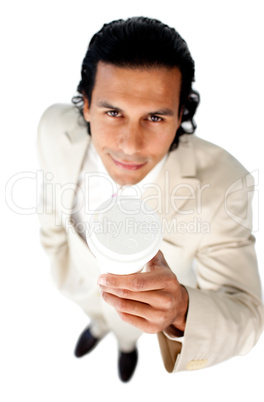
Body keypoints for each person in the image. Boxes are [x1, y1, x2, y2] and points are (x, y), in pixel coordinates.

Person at [37, 17, 264, 382]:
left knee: (128, 335)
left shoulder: (225, 183)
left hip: (147, 321)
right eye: (113, 113)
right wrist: (56, 258)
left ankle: (127, 349)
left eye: (155, 117)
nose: (130, 145)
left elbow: (248, 316)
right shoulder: (53, 127)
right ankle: (97, 327)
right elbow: (50, 205)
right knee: (96, 315)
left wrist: (180, 310)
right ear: (86, 106)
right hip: (78, 285)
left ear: (181, 116)